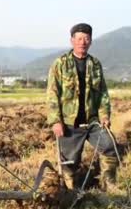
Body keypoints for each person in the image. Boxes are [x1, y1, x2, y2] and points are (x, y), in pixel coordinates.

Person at [46, 23, 118, 190]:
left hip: (93, 122)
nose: (82, 42)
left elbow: (103, 93)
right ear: (72, 41)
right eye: (79, 39)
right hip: (70, 123)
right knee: (69, 162)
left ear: (91, 41)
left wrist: (105, 115)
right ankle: (71, 194)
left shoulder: (95, 64)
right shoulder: (60, 64)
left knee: (109, 146)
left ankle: (109, 185)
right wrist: (56, 121)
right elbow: (52, 94)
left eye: (86, 38)